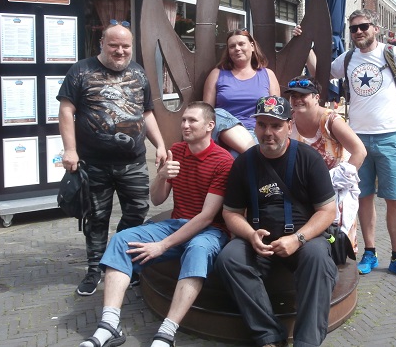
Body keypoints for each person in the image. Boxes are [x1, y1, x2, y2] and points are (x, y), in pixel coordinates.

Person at [79, 101, 234, 347]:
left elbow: (206, 217)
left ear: (210, 126)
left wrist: (162, 246)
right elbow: (157, 199)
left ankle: (167, 332)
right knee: (121, 240)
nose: (185, 125)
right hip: (176, 223)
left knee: (198, 249)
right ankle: (109, 324)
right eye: (183, 120)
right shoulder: (177, 151)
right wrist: (161, 176)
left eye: (192, 120)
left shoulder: (223, 161)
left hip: (210, 230)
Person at [215, 95, 338, 347]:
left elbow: (327, 211)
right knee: (229, 258)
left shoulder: (309, 159)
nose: (268, 132)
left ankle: (307, 342)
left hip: (304, 239)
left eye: (276, 125)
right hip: (260, 242)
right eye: (262, 125)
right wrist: (250, 235)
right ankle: (269, 335)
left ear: (289, 126)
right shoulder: (243, 163)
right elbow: (231, 213)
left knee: (318, 257)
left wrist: (297, 238)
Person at [58, 20, 167, 296]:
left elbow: (146, 113)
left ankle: (120, 262)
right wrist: (70, 150)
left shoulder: (139, 73)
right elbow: (66, 110)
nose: (120, 51)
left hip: (134, 162)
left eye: (125, 46)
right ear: (102, 44)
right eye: (114, 45)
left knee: (137, 212)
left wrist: (160, 144)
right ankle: (94, 269)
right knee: (96, 218)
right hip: (94, 163)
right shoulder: (80, 71)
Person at [331, 9, 396, 280]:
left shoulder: (392, 54)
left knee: (395, 199)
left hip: (389, 138)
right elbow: (320, 72)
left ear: (375, 28)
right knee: (363, 198)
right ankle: (370, 252)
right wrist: (305, 44)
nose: (358, 32)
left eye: (363, 26)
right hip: (357, 141)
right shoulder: (347, 58)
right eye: (353, 28)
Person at [285, 75, 367, 252]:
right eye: (293, 96)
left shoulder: (330, 120)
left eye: (303, 95)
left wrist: (338, 179)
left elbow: (359, 151)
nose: (297, 100)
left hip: (334, 188)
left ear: (316, 97)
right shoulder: (288, 121)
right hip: (302, 189)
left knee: (336, 243)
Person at [203, 28, 280, 154]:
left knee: (236, 157)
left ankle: (254, 153)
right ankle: (257, 154)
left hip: (257, 133)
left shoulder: (268, 75)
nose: (237, 48)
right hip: (225, 135)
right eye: (232, 46)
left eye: (241, 44)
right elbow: (205, 113)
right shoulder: (217, 74)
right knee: (216, 113)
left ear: (252, 46)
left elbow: (276, 113)